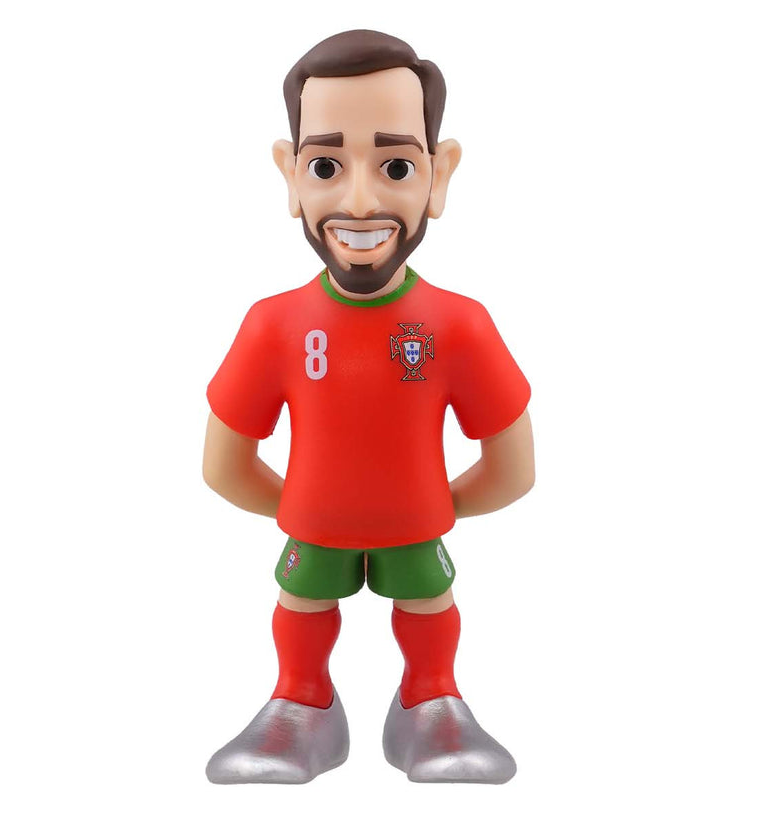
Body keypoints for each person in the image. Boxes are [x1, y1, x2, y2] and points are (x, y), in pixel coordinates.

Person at [203, 29, 534, 784]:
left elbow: (513, 466)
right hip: (315, 530)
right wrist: (307, 507)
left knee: (428, 601)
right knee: (301, 599)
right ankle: (301, 701)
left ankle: (430, 699)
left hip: (414, 528)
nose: (359, 200)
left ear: (438, 176)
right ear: (290, 176)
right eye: (326, 166)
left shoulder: (459, 325)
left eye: (396, 166)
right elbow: (223, 464)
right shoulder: (273, 325)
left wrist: (432, 507)